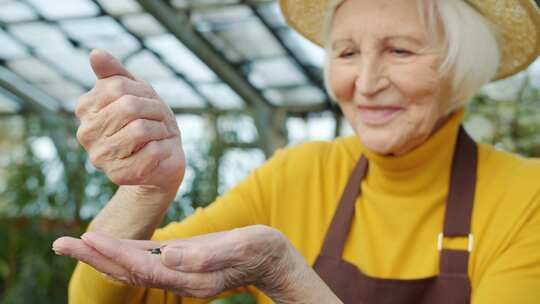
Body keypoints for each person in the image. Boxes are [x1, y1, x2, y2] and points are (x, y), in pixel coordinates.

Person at [52, 0, 540, 303]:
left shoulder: (526, 200)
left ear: (462, 66)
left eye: (401, 51)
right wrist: (145, 192)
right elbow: (110, 299)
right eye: (347, 53)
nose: (366, 84)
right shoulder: (298, 176)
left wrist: (287, 278)